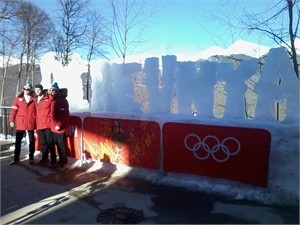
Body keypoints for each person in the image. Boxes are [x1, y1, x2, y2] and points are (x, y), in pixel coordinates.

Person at [9, 82, 36, 165]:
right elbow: (14, 110)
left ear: (30, 90)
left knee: (31, 141)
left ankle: (31, 158)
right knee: (18, 142)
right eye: (24, 89)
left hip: (31, 122)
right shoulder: (18, 98)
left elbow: (38, 111)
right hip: (21, 123)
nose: (26, 90)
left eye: (28, 89)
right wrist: (11, 120)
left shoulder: (34, 99)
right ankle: (16, 159)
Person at [48, 82, 70, 169]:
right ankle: (60, 160)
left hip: (59, 128)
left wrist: (58, 124)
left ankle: (64, 162)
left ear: (57, 91)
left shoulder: (61, 100)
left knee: (61, 144)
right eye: (50, 90)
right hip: (53, 127)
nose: (51, 91)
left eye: (53, 90)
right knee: (57, 144)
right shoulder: (54, 99)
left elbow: (64, 114)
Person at [34, 84, 56, 165]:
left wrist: (50, 92)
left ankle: (53, 160)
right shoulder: (35, 99)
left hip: (47, 124)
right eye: (36, 90)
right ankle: (44, 158)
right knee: (43, 143)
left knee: (50, 142)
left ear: (42, 90)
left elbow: (53, 98)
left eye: (39, 90)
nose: (37, 92)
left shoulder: (48, 97)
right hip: (40, 124)